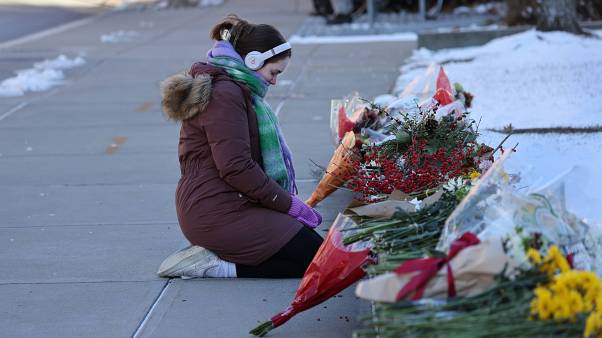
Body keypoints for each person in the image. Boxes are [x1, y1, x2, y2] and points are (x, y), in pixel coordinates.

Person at [157, 15, 324, 279]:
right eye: (274, 72)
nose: (274, 81)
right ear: (253, 61)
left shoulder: (235, 89)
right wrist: (288, 205)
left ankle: (224, 256)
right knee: (315, 259)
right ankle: (214, 266)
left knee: (319, 253)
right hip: (215, 212)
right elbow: (236, 167)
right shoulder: (225, 95)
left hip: (231, 202)